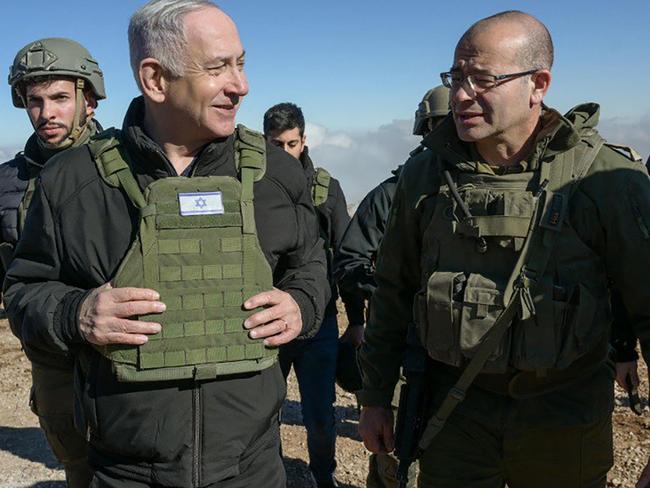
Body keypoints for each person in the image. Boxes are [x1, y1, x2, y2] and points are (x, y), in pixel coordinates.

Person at [3, 1, 328, 487]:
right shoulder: (70, 182)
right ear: (155, 79)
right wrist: (77, 313)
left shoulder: (277, 175)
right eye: (218, 67)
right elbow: (25, 290)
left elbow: (311, 267)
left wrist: (302, 302)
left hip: (252, 466)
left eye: (240, 63)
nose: (241, 85)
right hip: (124, 470)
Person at [357, 10, 650, 488]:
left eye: (482, 79)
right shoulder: (426, 175)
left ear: (538, 84)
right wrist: (373, 399)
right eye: (455, 77)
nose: (460, 95)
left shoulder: (605, 181)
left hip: (564, 414)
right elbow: (393, 289)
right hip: (455, 413)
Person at [0, 37, 106, 488]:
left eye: (61, 98)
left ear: (89, 100)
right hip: (50, 352)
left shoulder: (125, 166)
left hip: (119, 347)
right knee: (74, 460)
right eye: (34, 100)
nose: (47, 113)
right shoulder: (7, 180)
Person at [334, 85, 449, 488]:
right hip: (403, 351)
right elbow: (349, 260)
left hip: (462, 360)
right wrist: (388, 290)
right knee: (396, 457)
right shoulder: (393, 193)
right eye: (441, 125)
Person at [263, 102, 361, 488]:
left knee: (320, 414)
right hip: (266, 320)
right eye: (276, 145)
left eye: (291, 144)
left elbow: (347, 255)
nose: (285, 153)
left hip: (318, 322)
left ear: (304, 140)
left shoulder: (324, 189)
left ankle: (324, 476)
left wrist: (356, 321)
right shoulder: (252, 190)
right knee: (263, 413)